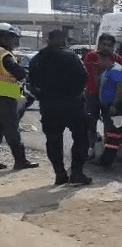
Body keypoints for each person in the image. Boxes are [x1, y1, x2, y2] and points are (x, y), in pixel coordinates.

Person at [28, 30, 92, 185]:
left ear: (48, 40)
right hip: (72, 104)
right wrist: (76, 92)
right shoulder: (70, 56)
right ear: (63, 40)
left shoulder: (37, 59)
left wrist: (42, 95)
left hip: (49, 106)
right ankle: (76, 173)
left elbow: (31, 83)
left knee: (53, 140)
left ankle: (60, 174)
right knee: (81, 137)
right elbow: (84, 76)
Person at [0, 23, 39, 171]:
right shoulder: (4, 55)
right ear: (4, 37)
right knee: (12, 129)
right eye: (12, 38)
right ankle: (20, 161)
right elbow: (19, 73)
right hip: (5, 97)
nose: (15, 42)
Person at [83, 34, 122, 159]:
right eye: (103, 44)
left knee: (109, 123)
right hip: (92, 94)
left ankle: (107, 149)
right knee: (90, 122)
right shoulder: (91, 57)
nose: (106, 47)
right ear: (99, 44)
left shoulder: (118, 59)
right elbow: (95, 79)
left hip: (109, 97)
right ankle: (90, 147)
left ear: (113, 47)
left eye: (109, 45)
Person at [95, 50, 122, 167]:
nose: (98, 62)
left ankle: (106, 160)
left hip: (118, 106)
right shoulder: (108, 70)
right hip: (113, 105)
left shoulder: (116, 71)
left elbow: (120, 88)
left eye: (99, 59)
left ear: (106, 59)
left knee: (113, 133)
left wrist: (114, 104)